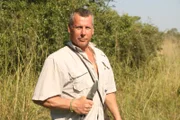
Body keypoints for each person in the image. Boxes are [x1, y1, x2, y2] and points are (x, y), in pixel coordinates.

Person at [32, 8, 122, 120]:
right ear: (69, 29)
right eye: (79, 27)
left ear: (93, 30)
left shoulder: (101, 56)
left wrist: (118, 118)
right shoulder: (57, 59)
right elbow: (42, 98)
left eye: (87, 28)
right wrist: (73, 104)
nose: (83, 33)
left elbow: (108, 92)